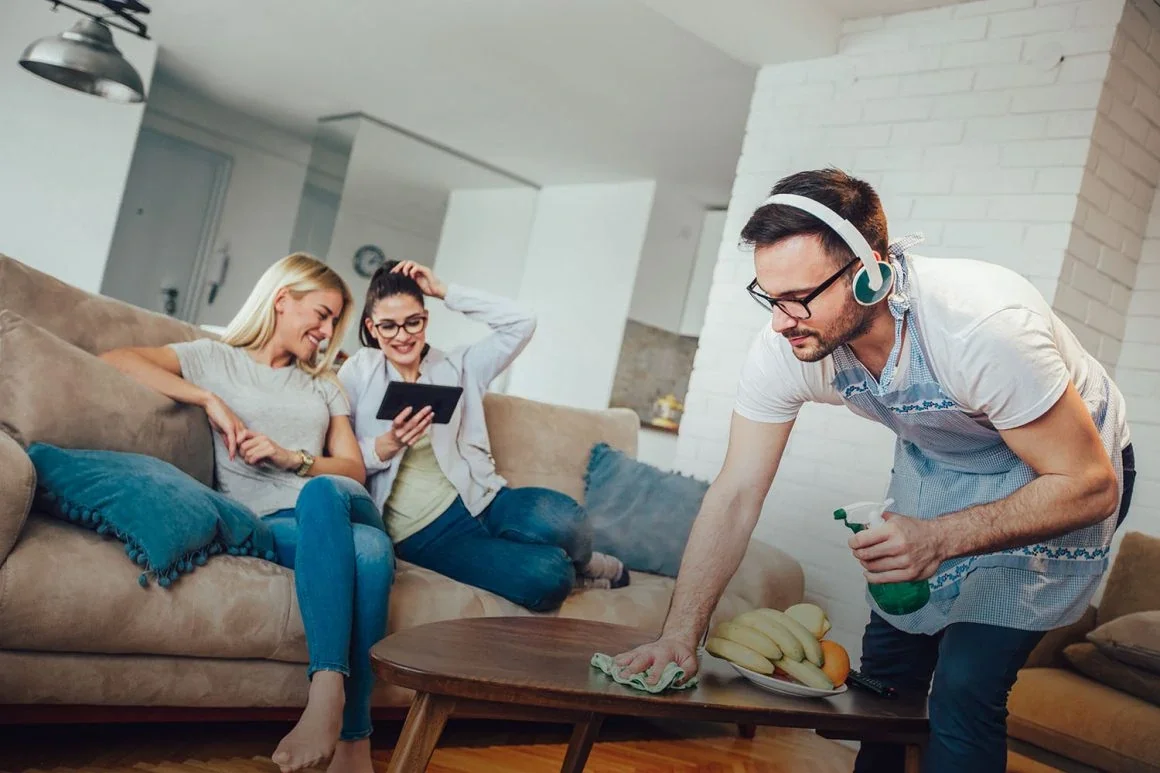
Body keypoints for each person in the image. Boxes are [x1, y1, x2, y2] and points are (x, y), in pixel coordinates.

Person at [612, 169, 1135, 772]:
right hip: (943, 462)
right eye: (770, 297)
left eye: (799, 297)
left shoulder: (980, 329)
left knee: (964, 690)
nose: (781, 321)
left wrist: (940, 537)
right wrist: (680, 634)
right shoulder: (789, 346)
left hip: (1063, 469)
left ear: (871, 274)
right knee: (885, 679)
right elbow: (735, 493)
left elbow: (1090, 486)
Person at [101, 253, 391, 773]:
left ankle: (326, 692)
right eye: (322, 315)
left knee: (322, 493)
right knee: (369, 553)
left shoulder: (324, 384)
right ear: (282, 300)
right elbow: (116, 358)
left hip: (338, 502)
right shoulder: (213, 358)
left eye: (334, 322)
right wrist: (207, 399)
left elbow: (352, 469)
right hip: (273, 524)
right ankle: (354, 744)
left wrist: (292, 457)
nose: (327, 333)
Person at [338, 260, 629, 613]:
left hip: (484, 499)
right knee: (549, 576)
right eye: (388, 326)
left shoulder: (459, 366)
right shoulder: (360, 370)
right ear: (372, 327)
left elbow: (522, 322)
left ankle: (585, 562)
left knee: (569, 520)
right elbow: (340, 456)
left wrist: (444, 291)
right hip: (424, 532)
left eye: (412, 322)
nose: (402, 336)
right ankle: (573, 573)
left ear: (425, 319)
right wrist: (387, 445)